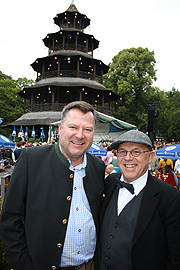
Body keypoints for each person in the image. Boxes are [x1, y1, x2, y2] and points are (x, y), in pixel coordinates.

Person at [0, 101, 105, 270]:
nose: (80, 135)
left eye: (87, 129)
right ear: (60, 128)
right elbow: (9, 220)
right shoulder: (30, 160)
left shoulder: (97, 167)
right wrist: (23, 265)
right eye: (73, 127)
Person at [100, 129, 180, 270]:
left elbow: (175, 257)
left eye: (136, 152)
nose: (128, 158)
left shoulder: (170, 198)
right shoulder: (109, 182)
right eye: (122, 152)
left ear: (150, 157)